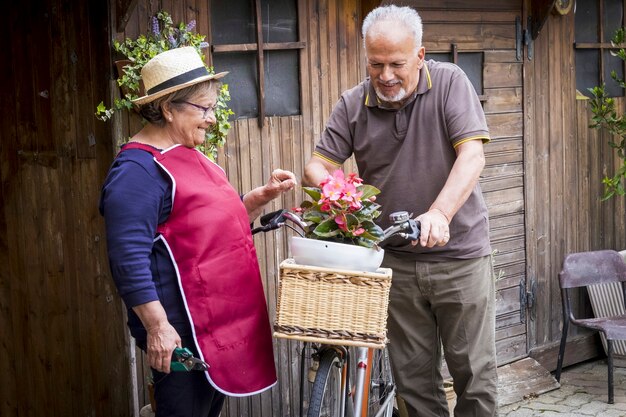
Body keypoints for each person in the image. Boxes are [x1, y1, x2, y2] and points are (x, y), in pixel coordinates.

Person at [303, 5, 497, 417]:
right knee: (414, 387)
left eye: (397, 64)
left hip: (459, 258)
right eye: (376, 64)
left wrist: (440, 214)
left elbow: (472, 157)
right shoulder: (353, 104)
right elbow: (317, 166)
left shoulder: (449, 84)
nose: (386, 75)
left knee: (475, 380)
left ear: (420, 56)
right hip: (395, 262)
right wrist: (340, 196)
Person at [99, 46, 297, 417]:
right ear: (168, 108)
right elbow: (128, 258)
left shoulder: (187, 154)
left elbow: (207, 224)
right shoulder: (137, 172)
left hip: (219, 323)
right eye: (203, 109)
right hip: (183, 331)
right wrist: (158, 327)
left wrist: (259, 197)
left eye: (212, 108)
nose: (211, 118)